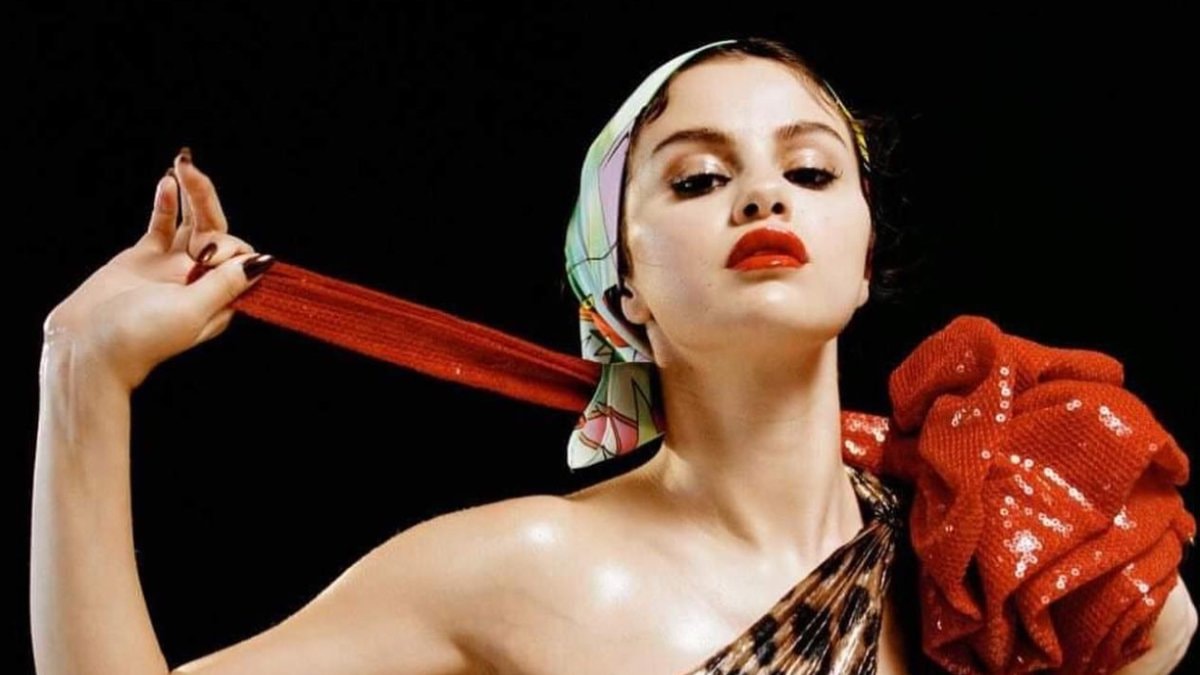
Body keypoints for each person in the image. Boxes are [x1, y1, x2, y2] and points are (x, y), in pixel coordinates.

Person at [31, 37, 1196, 675]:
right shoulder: (523, 569)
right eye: (698, 178)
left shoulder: (980, 540)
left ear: (863, 257)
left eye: (809, 169)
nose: (761, 197)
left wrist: (1091, 571)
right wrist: (83, 373)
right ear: (620, 285)